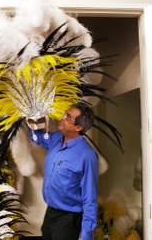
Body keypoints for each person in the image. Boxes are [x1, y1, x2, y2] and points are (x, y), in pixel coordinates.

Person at [27, 103, 98, 240]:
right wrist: (33, 118)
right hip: (50, 213)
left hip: (69, 220)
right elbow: (36, 137)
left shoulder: (87, 156)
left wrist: (86, 233)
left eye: (68, 117)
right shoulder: (56, 139)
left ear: (78, 127)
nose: (62, 117)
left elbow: (90, 197)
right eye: (65, 113)